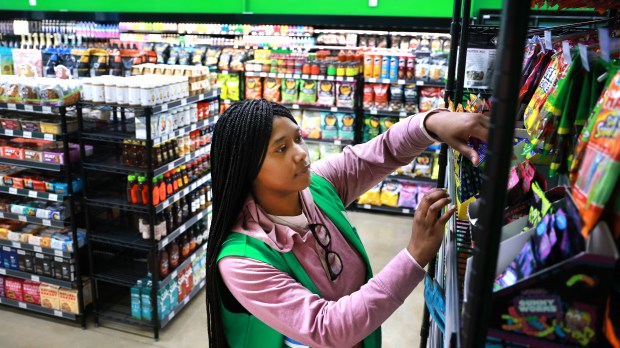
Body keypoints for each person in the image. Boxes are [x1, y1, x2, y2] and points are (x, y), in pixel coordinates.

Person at [205, 99, 489, 348]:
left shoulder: (316, 186)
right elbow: (327, 328)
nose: (301, 153)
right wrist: (414, 255)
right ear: (246, 167)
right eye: (281, 149)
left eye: (298, 138)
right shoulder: (242, 261)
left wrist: (433, 123)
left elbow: (381, 153)